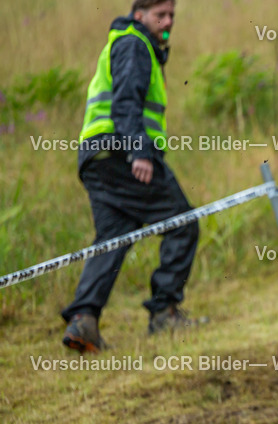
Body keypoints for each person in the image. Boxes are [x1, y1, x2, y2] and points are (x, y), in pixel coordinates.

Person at [62, 0, 200, 353]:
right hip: (121, 153)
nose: (168, 22)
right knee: (183, 222)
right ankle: (164, 313)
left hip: (96, 156)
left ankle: (84, 322)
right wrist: (139, 151)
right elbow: (126, 103)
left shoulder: (130, 43)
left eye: (172, 15)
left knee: (114, 236)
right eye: (160, 15)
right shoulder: (134, 44)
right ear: (139, 15)